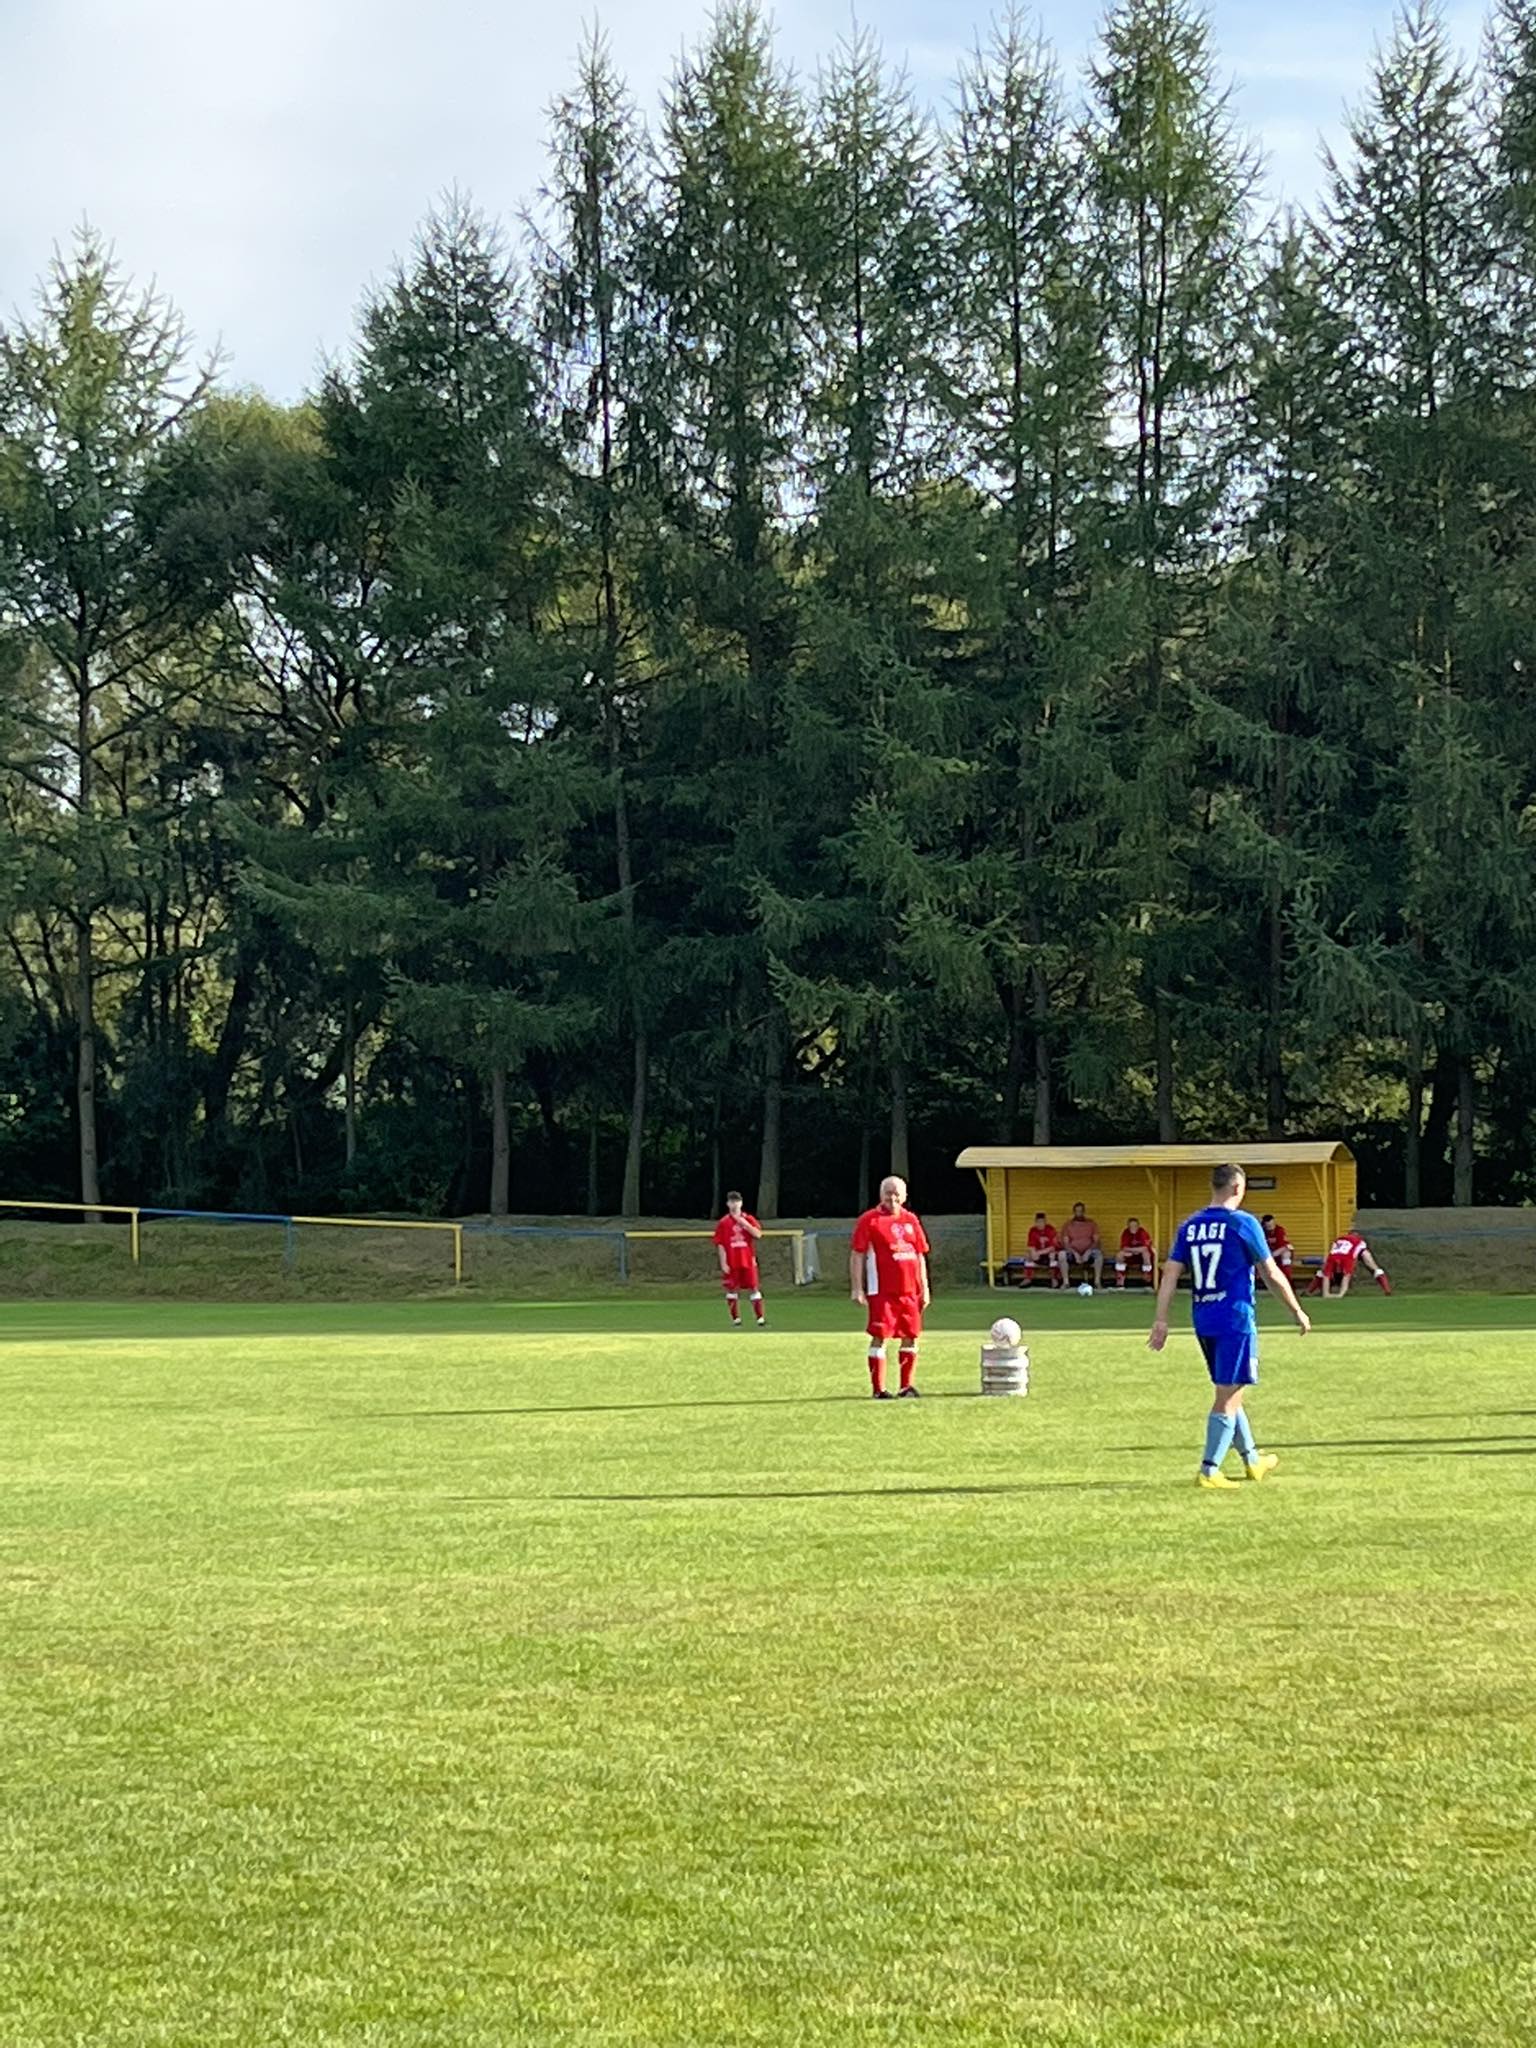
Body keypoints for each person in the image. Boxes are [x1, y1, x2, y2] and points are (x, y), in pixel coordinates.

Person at [1148, 1161, 1310, 1490]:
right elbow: (1271, 1272)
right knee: (1228, 1397)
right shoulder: (1243, 1223)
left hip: (1203, 1318)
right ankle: (1209, 1470)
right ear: (1237, 1187)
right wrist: (1296, 1310)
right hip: (1235, 1318)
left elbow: (1170, 1274)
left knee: (1230, 1389)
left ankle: (1252, 1460)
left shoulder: (1190, 1226)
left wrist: (1161, 1319)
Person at [850, 1175, 931, 1399]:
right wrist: (857, 1288)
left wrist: (925, 1288)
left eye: (896, 1194)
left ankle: (906, 1387)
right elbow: (857, 1254)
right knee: (880, 1335)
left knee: (911, 1336)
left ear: (904, 1196)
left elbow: (920, 1255)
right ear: (881, 1194)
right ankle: (879, 1389)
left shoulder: (911, 1220)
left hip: (910, 1292)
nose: (892, 1198)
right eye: (888, 1193)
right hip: (882, 1291)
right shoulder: (869, 1220)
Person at [712, 1192, 765, 1327]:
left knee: (753, 1287)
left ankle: (760, 1318)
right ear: (728, 1204)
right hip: (732, 1261)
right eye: (732, 1202)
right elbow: (720, 1243)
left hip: (747, 1260)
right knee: (731, 1288)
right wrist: (723, 1262)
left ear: (741, 1203)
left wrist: (744, 1224)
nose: (734, 1204)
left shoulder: (748, 1218)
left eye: (737, 1201)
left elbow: (758, 1234)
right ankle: (736, 1318)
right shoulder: (724, 1222)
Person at [1317, 1229, 1391, 1298]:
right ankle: (1387, 1289)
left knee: (1325, 1273)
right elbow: (1365, 1255)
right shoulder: (1359, 1241)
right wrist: (1372, 1266)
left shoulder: (1339, 1239)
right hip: (1347, 1257)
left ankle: (1317, 1292)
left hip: (1333, 1256)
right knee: (1374, 1268)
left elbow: (1331, 1252)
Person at [1061, 1202, 1104, 1288]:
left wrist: (1088, 1251)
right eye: (1077, 1211)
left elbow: (1096, 1241)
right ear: (1074, 1212)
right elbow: (1066, 1243)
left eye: (1081, 1211)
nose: (1079, 1213)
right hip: (1073, 1253)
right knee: (1061, 1255)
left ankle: (1097, 1282)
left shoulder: (1091, 1224)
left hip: (1089, 1252)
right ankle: (1066, 1282)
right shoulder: (1068, 1225)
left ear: (1084, 1212)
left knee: (1099, 1255)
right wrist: (1075, 1253)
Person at [1025, 1211, 1067, 1288]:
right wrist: (1033, 1252)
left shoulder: (1050, 1230)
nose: (1040, 1224)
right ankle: (1028, 1278)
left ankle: (1054, 1279)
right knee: (1028, 1255)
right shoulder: (1033, 1230)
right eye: (1038, 1222)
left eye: (1042, 1222)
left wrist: (1038, 1253)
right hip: (1039, 1256)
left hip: (1049, 1255)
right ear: (1035, 1222)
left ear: (1045, 1222)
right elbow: (1031, 1245)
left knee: (1052, 1254)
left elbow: (1052, 1247)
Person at [1114, 1217, 1156, 1289]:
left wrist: (1132, 1250)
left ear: (1138, 1226)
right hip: (1131, 1256)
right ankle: (1120, 1281)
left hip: (1142, 1257)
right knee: (1119, 1255)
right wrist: (1136, 1251)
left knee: (1146, 1254)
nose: (1133, 1227)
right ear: (1128, 1226)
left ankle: (1147, 1280)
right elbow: (1124, 1247)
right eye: (1131, 1226)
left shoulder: (1142, 1232)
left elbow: (1145, 1248)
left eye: (1135, 1226)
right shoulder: (1126, 1233)